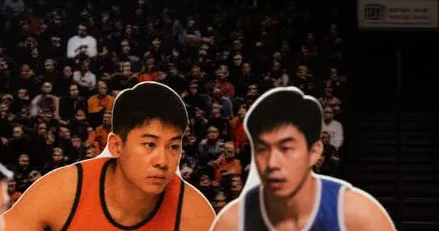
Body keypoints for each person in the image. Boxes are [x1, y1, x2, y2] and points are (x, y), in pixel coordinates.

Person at [2, 81, 215, 230]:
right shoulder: (65, 191)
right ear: (116, 146)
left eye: (173, 146)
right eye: (149, 144)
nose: (163, 161)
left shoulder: (193, 214)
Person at [211, 86, 395, 230]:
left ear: (314, 152)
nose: (272, 163)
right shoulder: (233, 222)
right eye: (262, 150)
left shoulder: (357, 215)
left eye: (286, 148)